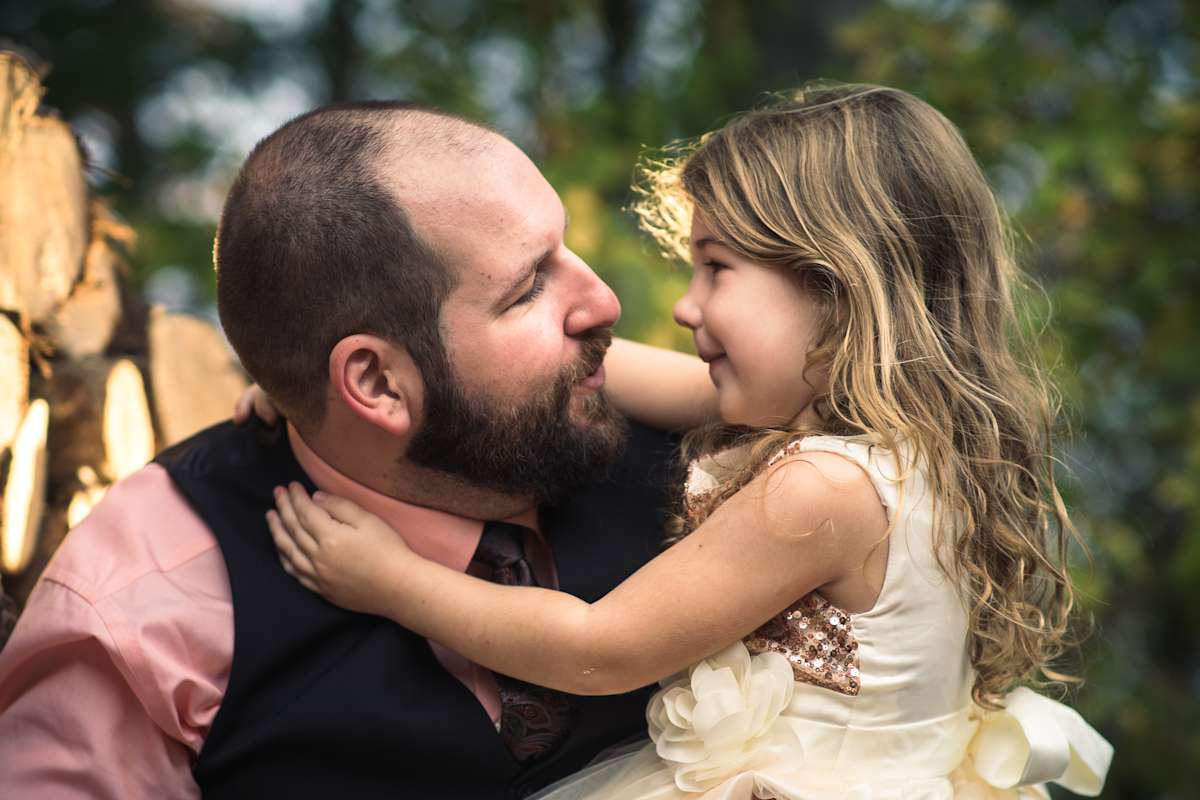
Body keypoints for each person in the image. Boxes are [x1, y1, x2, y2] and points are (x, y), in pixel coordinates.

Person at [263, 85, 1114, 798]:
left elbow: (598, 651)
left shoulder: (823, 489)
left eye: (716, 268)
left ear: (833, 284)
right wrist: (335, 382)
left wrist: (392, 580)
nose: (685, 306)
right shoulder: (894, 436)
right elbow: (594, 370)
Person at [0, 101, 695, 799]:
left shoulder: (692, 445)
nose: (603, 302)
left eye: (564, 249)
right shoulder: (143, 609)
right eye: (527, 290)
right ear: (376, 383)